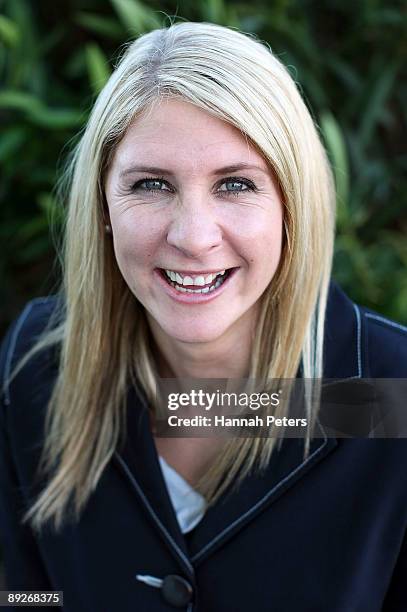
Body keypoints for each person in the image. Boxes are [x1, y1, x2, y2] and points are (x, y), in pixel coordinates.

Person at [0, 21, 406, 612]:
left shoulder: (388, 392)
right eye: (152, 184)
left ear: (293, 205)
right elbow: (27, 594)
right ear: (104, 205)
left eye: (236, 184)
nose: (193, 237)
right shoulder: (37, 362)